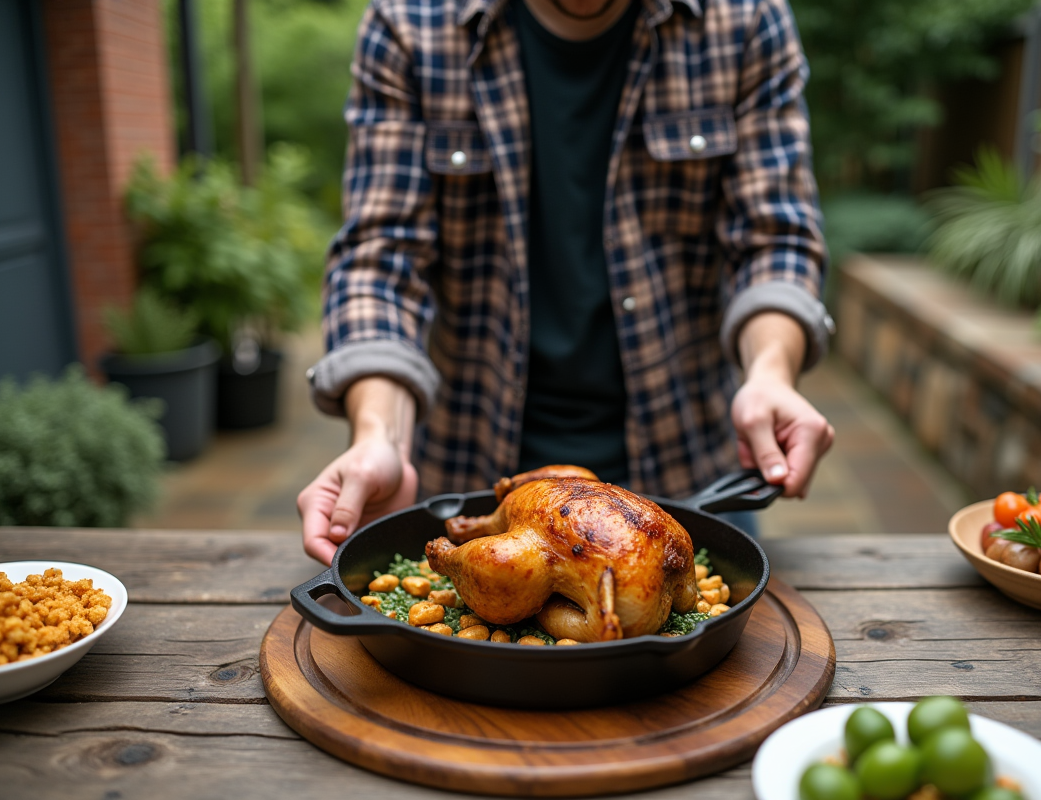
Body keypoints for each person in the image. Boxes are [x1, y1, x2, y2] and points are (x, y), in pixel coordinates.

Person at [299, 0, 835, 564]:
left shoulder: (745, 18)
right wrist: (379, 434)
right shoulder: (409, 22)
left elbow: (775, 238)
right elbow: (380, 260)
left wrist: (771, 373)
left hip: (690, 482)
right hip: (471, 489)